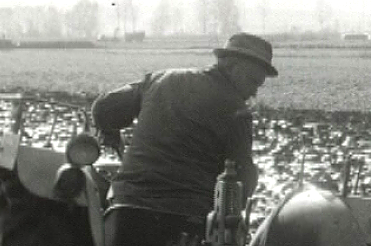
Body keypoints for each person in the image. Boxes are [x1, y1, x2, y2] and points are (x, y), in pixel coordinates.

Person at [91, 32, 277, 221]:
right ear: (233, 66)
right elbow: (241, 180)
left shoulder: (162, 79)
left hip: (126, 209)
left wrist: (110, 133)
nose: (254, 92)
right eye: (253, 82)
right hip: (190, 219)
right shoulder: (238, 112)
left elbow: (103, 108)